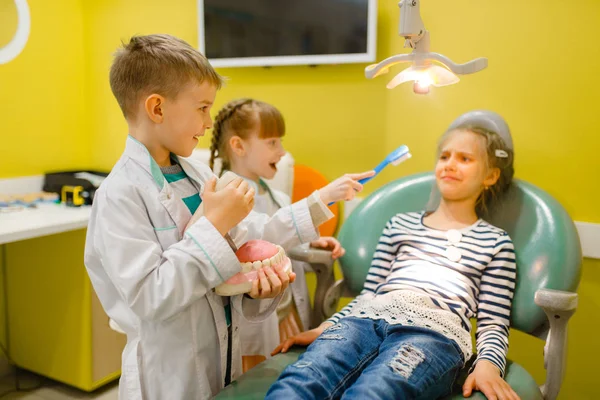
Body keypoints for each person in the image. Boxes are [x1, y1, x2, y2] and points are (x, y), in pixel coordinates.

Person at [83, 34, 373, 400]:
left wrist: (258, 288)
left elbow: (252, 239)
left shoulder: (200, 177)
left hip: (222, 358)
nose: (208, 123)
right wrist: (213, 225)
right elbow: (151, 296)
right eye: (202, 108)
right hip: (166, 376)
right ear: (157, 109)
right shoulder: (119, 195)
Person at [266, 120, 520, 400]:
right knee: (300, 381)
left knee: (377, 392)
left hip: (433, 334)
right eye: (444, 156)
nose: (449, 164)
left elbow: (493, 322)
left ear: (491, 176)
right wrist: (329, 326)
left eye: (465, 159)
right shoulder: (400, 225)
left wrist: (488, 365)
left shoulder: (496, 243)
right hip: (362, 322)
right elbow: (370, 293)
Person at [209, 98, 345, 371]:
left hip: (285, 315)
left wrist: (309, 245)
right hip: (252, 324)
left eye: (280, 142)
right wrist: (321, 200)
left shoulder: (278, 197)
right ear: (238, 146)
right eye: (272, 142)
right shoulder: (224, 198)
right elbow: (261, 235)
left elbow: (280, 247)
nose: (282, 152)